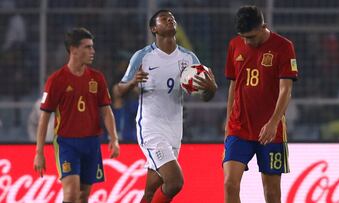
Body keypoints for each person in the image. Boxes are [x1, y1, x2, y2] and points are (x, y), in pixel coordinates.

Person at [116, 10, 217, 203]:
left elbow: (206, 97)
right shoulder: (143, 56)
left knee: (151, 191)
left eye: (172, 18)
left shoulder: (189, 58)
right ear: (154, 28)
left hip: (174, 129)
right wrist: (131, 83)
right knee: (175, 182)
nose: (170, 19)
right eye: (164, 18)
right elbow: (118, 90)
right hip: (151, 129)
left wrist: (211, 88)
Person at [33, 27, 120, 203]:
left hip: (92, 143)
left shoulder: (97, 78)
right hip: (67, 143)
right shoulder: (56, 80)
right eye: (87, 47)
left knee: (83, 196)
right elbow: (44, 117)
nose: (92, 51)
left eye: (92, 47)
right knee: (71, 194)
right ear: (73, 50)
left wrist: (114, 138)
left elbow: (106, 110)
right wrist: (39, 152)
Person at [223, 6, 298, 203]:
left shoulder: (284, 46)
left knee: (272, 193)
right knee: (230, 184)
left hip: (270, 132)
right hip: (238, 128)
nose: (247, 41)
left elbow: (286, 90)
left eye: (252, 37)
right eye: (244, 37)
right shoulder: (234, 45)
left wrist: (273, 123)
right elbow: (234, 85)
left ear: (263, 26)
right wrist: (227, 122)